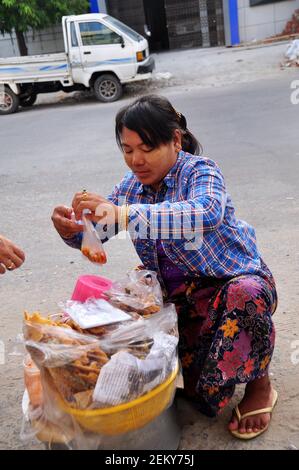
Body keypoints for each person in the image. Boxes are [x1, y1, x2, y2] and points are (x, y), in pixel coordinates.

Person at [52, 94, 278, 440]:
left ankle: (259, 385)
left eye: (147, 147)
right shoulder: (130, 188)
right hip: (180, 296)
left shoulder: (200, 171)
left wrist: (123, 214)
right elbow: (100, 232)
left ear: (175, 140)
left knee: (244, 295)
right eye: (128, 150)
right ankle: (206, 371)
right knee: (202, 396)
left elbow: (204, 212)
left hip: (233, 284)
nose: (136, 160)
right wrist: (75, 230)